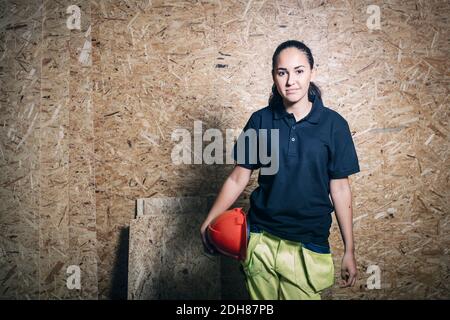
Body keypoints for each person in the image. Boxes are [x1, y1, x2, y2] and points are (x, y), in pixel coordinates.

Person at [200, 40, 360, 300]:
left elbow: (340, 188)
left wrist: (349, 250)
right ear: (274, 76)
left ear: (312, 73)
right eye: (282, 72)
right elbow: (239, 176)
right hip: (260, 239)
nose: (290, 81)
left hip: (307, 245)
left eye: (299, 71)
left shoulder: (334, 125)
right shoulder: (261, 120)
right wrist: (210, 219)